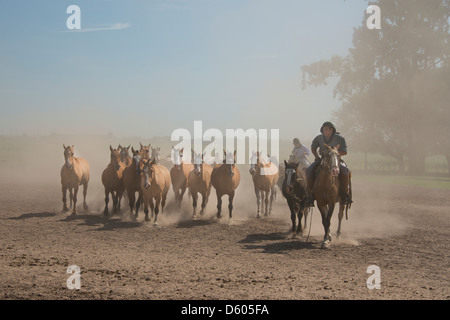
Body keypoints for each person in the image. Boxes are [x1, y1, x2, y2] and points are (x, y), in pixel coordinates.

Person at [305, 121, 352, 206]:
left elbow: (344, 152)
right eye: (323, 130)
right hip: (322, 160)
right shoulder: (319, 138)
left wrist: (334, 154)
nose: (324, 131)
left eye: (326, 129)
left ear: (331, 130)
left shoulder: (340, 138)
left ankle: (345, 195)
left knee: (345, 171)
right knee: (309, 170)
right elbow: (313, 147)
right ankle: (310, 195)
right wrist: (316, 156)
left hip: (335, 161)